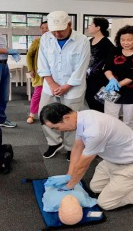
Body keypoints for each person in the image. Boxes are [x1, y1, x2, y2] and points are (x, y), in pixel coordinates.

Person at [40, 102, 133, 210]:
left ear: (66, 118)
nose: (59, 131)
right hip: (113, 160)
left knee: (106, 203)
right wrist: (68, 176)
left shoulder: (94, 129)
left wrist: (69, 187)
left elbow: (83, 165)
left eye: (56, 128)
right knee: (95, 188)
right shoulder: (82, 117)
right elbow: (77, 148)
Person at [37, 11, 90, 160]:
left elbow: (81, 67)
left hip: (73, 87)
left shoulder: (82, 40)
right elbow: (42, 63)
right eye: (54, 30)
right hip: (50, 86)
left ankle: (70, 146)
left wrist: (66, 86)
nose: (57, 34)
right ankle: (54, 142)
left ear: (69, 25)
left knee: (72, 118)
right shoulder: (46, 38)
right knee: (44, 114)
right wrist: (52, 83)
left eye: (60, 30)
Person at [103, 25, 133, 129]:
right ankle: (111, 142)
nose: (125, 42)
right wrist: (112, 80)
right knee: (110, 119)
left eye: (129, 40)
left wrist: (118, 84)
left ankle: (126, 144)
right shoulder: (114, 50)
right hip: (111, 88)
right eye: (122, 39)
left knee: (128, 121)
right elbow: (107, 67)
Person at [85, 17, 114, 112]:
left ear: (98, 27)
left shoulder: (106, 43)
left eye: (91, 25)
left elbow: (111, 61)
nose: (88, 27)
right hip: (89, 77)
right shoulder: (90, 41)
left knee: (101, 103)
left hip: (101, 79)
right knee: (90, 100)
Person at [26, 21, 49, 124]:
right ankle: (31, 114)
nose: (44, 30)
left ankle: (48, 115)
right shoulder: (37, 41)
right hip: (40, 74)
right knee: (37, 94)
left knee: (50, 96)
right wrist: (31, 69)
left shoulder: (55, 41)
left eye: (47, 28)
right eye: (42, 28)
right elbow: (29, 55)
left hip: (52, 74)